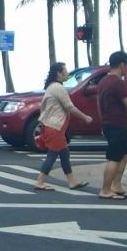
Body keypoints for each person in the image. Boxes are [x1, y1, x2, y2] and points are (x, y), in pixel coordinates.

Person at [33, 61, 93, 191]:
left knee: (64, 154)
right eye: (65, 71)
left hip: (55, 128)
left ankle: (72, 182)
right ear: (59, 74)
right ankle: (40, 181)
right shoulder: (58, 88)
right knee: (52, 154)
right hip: (55, 128)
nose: (67, 73)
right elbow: (69, 107)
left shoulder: (51, 87)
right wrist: (85, 117)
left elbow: (43, 107)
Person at [97, 51, 127, 200]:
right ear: (121, 65)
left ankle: (116, 185)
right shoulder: (117, 82)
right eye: (126, 64)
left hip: (110, 122)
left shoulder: (103, 81)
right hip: (117, 123)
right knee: (115, 157)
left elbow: (98, 103)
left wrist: (103, 121)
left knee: (126, 153)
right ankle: (105, 189)